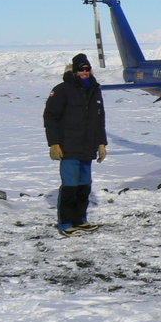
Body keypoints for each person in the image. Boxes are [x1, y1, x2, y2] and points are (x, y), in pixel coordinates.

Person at [43, 53, 107, 236]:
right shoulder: (62, 90)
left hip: (87, 146)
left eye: (87, 69)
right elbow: (50, 117)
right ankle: (65, 223)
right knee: (70, 186)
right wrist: (54, 143)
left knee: (84, 185)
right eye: (81, 69)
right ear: (74, 71)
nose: (85, 72)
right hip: (69, 147)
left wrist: (101, 143)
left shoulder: (94, 89)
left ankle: (80, 220)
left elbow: (99, 119)